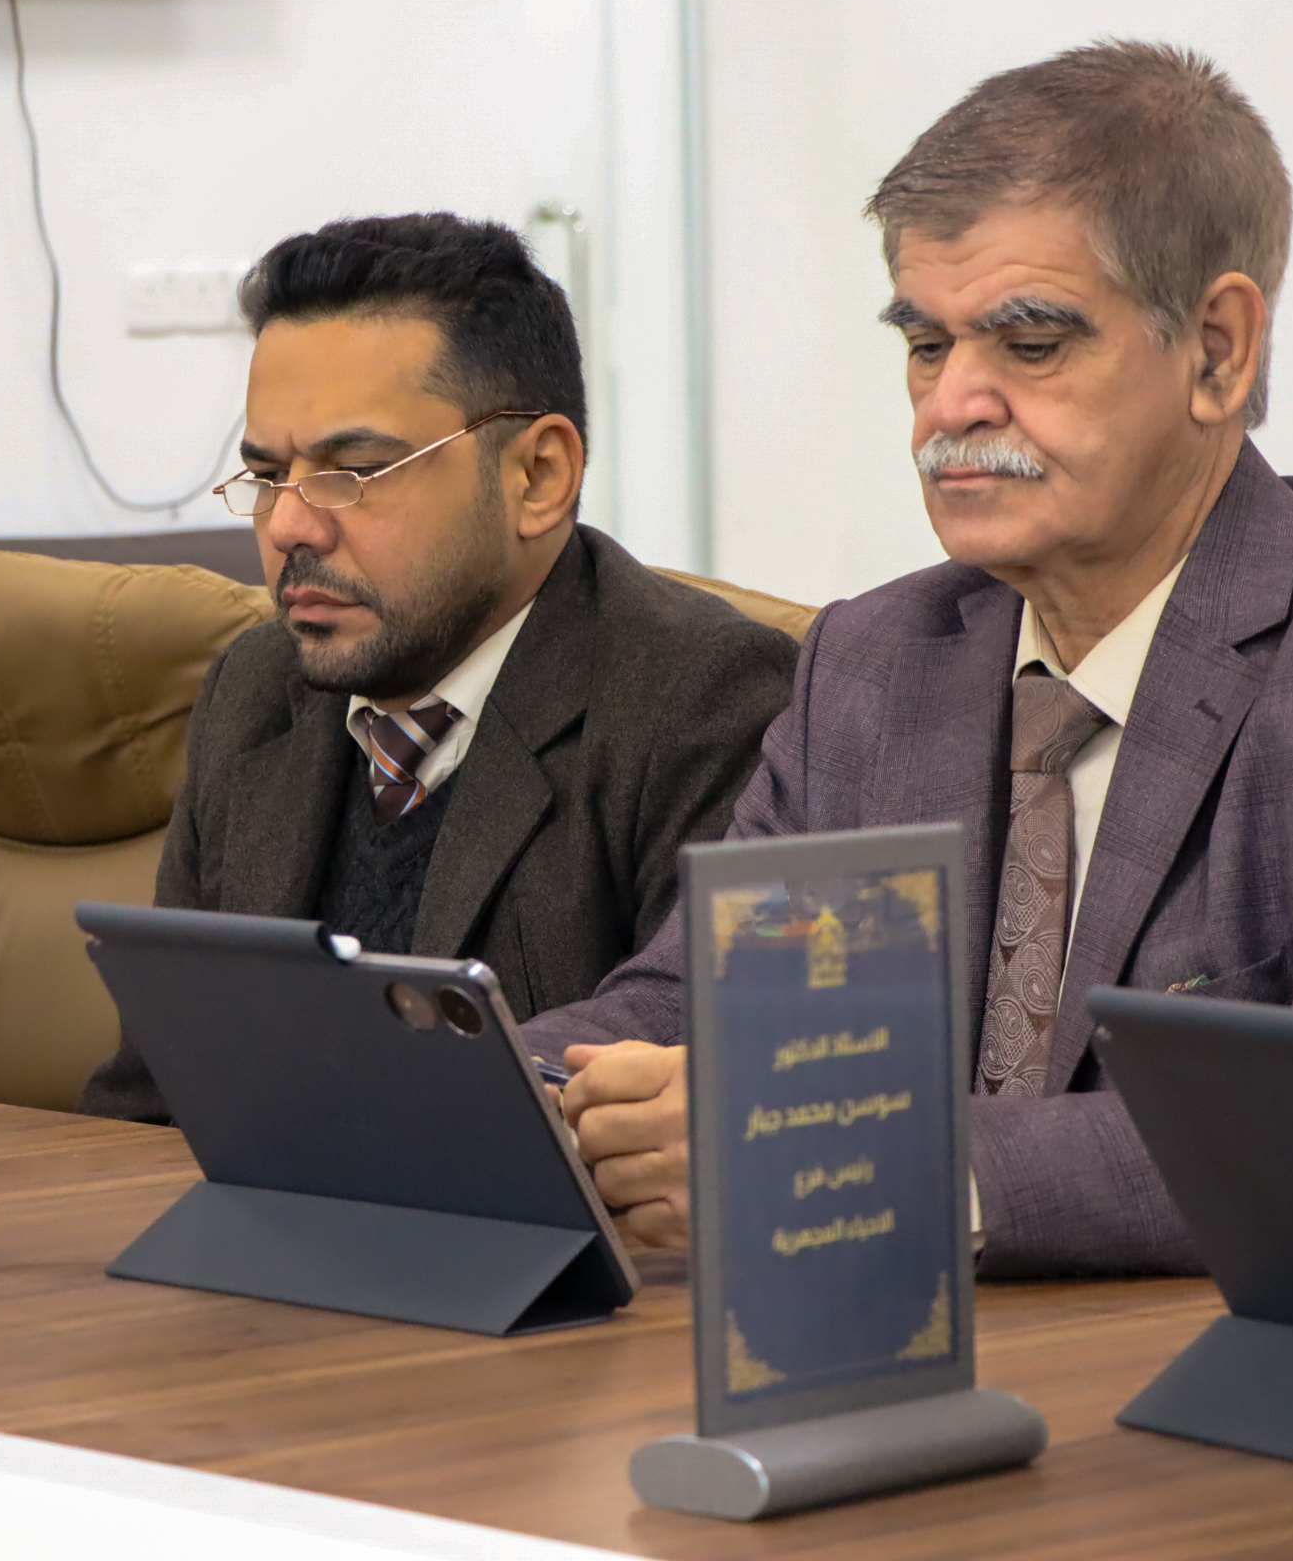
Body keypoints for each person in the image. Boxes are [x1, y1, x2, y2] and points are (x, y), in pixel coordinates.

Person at [530, 42, 1293, 1278]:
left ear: (1217, 350)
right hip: (911, 1352)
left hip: (1270, 1372)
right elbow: (693, 1011)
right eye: (926, 344)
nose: (951, 405)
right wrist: (494, 1086)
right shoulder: (879, 660)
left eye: (1029, 343)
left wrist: (870, 1161)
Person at [79, 214, 799, 1122]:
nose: (289, 525)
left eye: (353, 471)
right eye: (267, 475)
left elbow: (680, 1068)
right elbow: (158, 1094)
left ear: (538, 476)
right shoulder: (259, 687)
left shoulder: (702, 701)